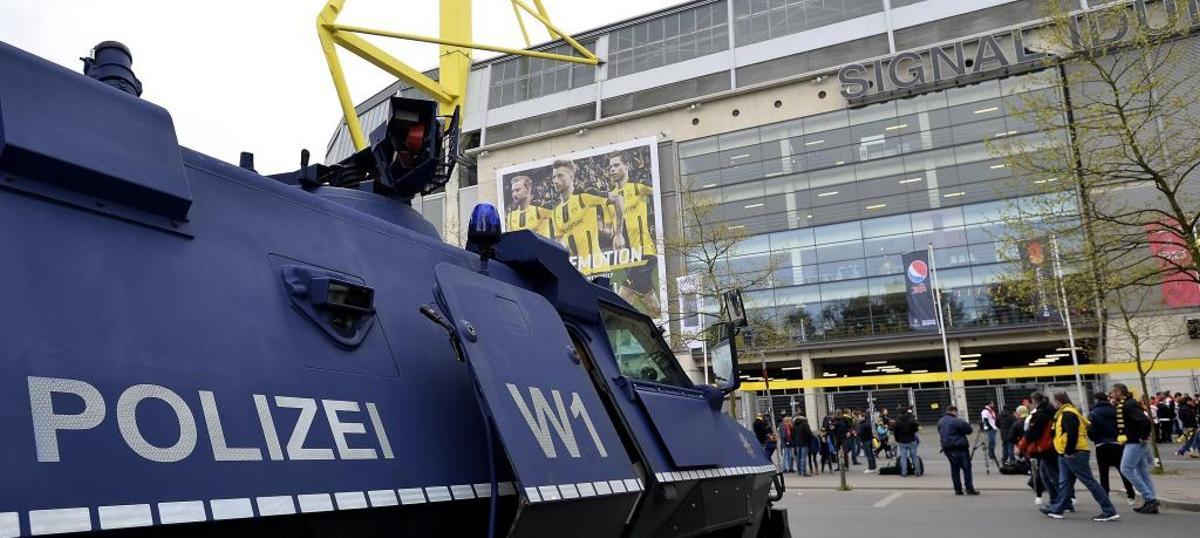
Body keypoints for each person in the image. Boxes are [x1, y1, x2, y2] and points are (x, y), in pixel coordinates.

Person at [1039, 392, 1119, 521]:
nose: (1053, 404)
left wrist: (1069, 451)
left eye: (1054, 401)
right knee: (1065, 483)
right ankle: (1057, 509)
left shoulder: (1067, 413)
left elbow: (1072, 434)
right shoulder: (1065, 412)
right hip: (1067, 453)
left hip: (1074, 453)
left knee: (1089, 482)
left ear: (1058, 401)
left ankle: (1109, 510)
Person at [607, 153, 660, 317]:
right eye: (610, 167)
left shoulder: (639, 187)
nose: (612, 169)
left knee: (625, 292)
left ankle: (614, 333)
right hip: (627, 258)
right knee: (650, 301)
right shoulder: (611, 197)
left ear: (627, 166)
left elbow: (662, 190)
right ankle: (664, 327)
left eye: (616, 165)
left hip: (644, 253)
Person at [549, 159, 623, 273]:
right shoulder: (555, 213)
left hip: (598, 269)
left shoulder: (585, 196)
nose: (555, 180)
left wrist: (618, 234)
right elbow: (560, 245)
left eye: (560, 176)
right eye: (554, 177)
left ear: (571, 176)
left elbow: (617, 199)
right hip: (578, 274)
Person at [1111, 383, 1159, 514]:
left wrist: (1143, 436)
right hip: (1136, 441)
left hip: (1134, 442)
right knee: (1142, 472)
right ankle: (1151, 500)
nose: (1112, 394)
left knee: (1126, 469)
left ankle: (1150, 499)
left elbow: (1144, 420)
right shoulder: (1128, 403)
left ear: (1120, 392)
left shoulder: (1128, 404)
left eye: (1114, 392)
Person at [1088, 392, 1136, 506]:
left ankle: (1106, 497)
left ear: (1096, 400)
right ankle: (1131, 495)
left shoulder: (1093, 413)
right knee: (1122, 470)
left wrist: (1095, 439)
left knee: (1103, 473)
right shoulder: (1115, 411)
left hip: (1101, 445)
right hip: (1117, 443)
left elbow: (1091, 430)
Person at [1024, 392, 1066, 510]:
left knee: (1053, 475)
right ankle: (1057, 499)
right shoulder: (1050, 411)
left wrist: (1023, 444)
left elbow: (1034, 431)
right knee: (1046, 474)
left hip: (1047, 447)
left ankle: (1063, 501)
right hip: (1050, 446)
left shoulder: (1041, 413)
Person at [937, 406, 978, 495]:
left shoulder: (940, 421)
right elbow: (969, 430)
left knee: (954, 468)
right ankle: (969, 488)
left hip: (947, 447)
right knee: (966, 467)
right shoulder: (957, 421)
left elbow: (940, 432)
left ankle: (957, 489)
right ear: (954, 411)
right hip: (959, 446)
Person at [893, 406, 920, 477]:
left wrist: (897, 439)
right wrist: (913, 433)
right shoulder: (911, 419)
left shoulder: (897, 421)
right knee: (914, 456)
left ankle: (904, 472)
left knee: (903, 457)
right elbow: (916, 428)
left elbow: (895, 432)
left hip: (902, 441)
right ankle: (917, 471)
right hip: (911, 439)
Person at [980, 401, 1000, 467]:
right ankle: (991, 456)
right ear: (989, 404)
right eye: (992, 403)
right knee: (991, 442)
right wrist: (988, 427)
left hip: (993, 428)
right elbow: (985, 420)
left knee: (993, 443)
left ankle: (992, 455)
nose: (993, 404)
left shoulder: (991, 410)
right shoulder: (985, 411)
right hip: (990, 429)